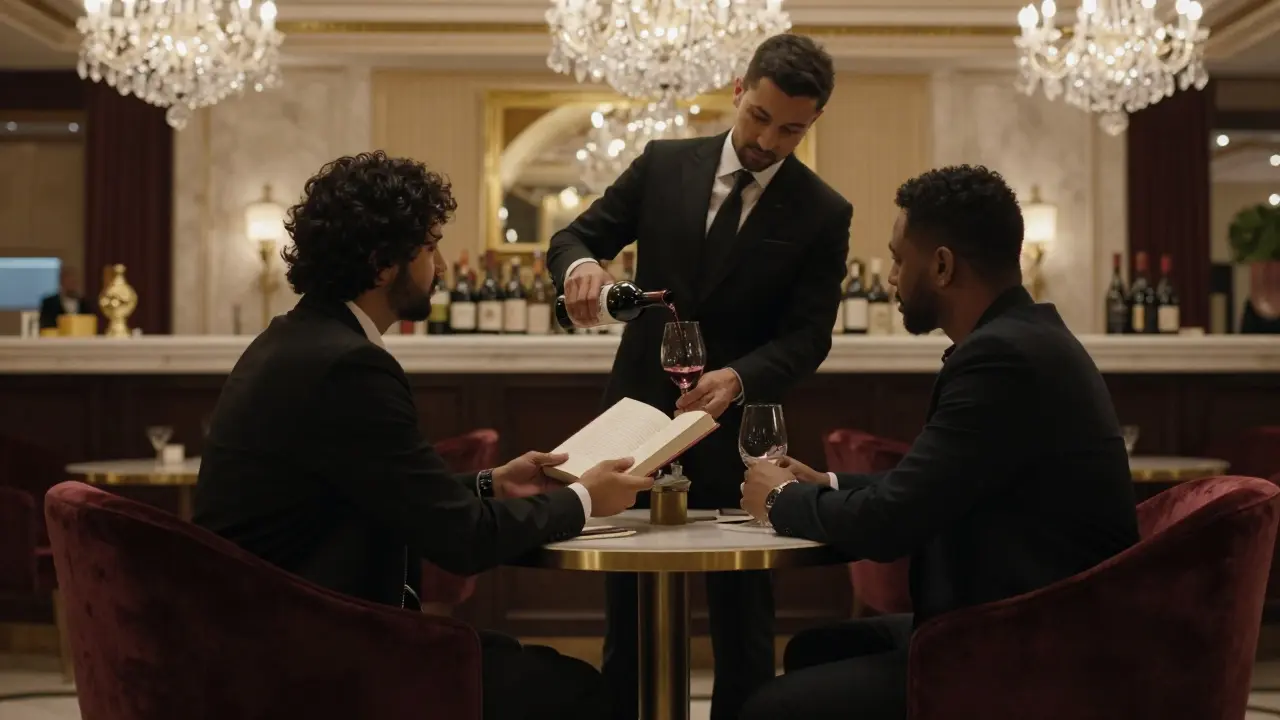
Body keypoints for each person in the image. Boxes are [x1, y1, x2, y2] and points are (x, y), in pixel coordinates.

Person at [193, 151, 653, 720]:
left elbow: (379, 488)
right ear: (384, 263)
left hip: (269, 633)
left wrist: (490, 481)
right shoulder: (347, 366)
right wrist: (584, 498)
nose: (437, 265)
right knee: (582, 694)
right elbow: (459, 540)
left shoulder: (295, 340)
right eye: (430, 246)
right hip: (311, 659)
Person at [738, 165, 1141, 720]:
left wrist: (781, 500)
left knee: (767, 709)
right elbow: (930, 486)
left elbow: (895, 520)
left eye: (901, 260)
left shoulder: (1004, 359)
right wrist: (825, 484)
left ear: (944, 266)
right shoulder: (1023, 338)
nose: (892, 278)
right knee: (816, 649)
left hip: (1034, 645)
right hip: (1027, 613)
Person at [547, 33, 852, 720]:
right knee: (625, 614)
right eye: (760, 118)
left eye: (791, 130)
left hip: (740, 431)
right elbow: (574, 237)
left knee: (744, 624)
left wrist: (739, 377)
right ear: (739, 91)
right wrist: (581, 269)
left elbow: (810, 336)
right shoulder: (663, 165)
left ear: (813, 122)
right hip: (637, 422)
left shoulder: (823, 211)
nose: (769, 141)